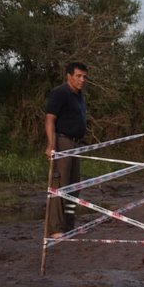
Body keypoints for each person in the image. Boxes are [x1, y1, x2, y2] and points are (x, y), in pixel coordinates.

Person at [44, 61, 89, 236]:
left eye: (84, 77)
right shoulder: (59, 93)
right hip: (62, 142)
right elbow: (50, 120)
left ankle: (69, 225)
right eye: (78, 76)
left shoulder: (79, 95)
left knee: (74, 186)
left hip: (76, 144)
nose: (82, 80)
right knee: (59, 186)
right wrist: (51, 145)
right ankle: (55, 228)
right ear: (69, 76)